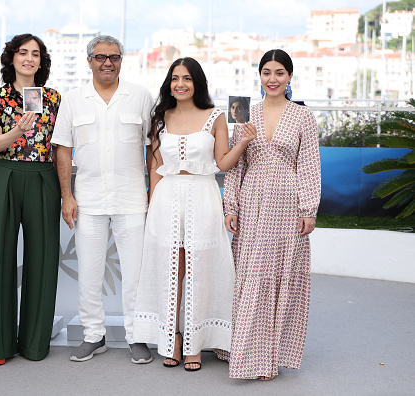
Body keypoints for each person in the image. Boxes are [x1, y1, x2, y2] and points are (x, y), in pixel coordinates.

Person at [133, 57, 257, 371]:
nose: (180, 84)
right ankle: (173, 339)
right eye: (175, 78)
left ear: (197, 82)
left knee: (200, 269)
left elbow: (224, 164)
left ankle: (195, 343)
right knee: (170, 271)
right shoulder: (160, 117)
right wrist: (150, 208)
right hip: (166, 199)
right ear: (169, 83)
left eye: (187, 78)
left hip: (202, 196)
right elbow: (155, 167)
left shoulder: (215, 116)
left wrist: (243, 140)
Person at [51, 35, 154, 364]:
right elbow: (63, 150)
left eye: (114, 57)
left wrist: (154, 192)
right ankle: (93, 336)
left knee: (135, 273)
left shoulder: (140, 96)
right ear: (89, 61)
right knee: (90, 272)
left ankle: (137, 336)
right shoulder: (73, 99)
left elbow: (153, 148)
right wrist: (67, 195)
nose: (107, 62)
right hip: (88, 200)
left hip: (132, 199)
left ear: (122, 59)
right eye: (100, 57)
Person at [223, 49, 321, 380]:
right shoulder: (244, 113)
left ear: (290, 77)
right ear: (259, 76)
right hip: (251, 203)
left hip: (287, 204)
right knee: (249, 276)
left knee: (280, 278)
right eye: (267, 72)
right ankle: (244, 351)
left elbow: (309, 164)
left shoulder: (303, 117)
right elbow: (235, 165)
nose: (273, 79)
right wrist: (231, 204)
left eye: (280, 72)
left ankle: (269, 357)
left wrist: (309, 208)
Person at [0, 34, 61, 365]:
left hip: (44, 176)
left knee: (42, 259)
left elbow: (60, 147)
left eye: (36, 54)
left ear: (42, 61)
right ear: (11, 58)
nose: (29, 58)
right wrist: (17, 129)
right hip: (6, 174)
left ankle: (34, 343)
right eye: (23, 52)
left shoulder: (54, 98)